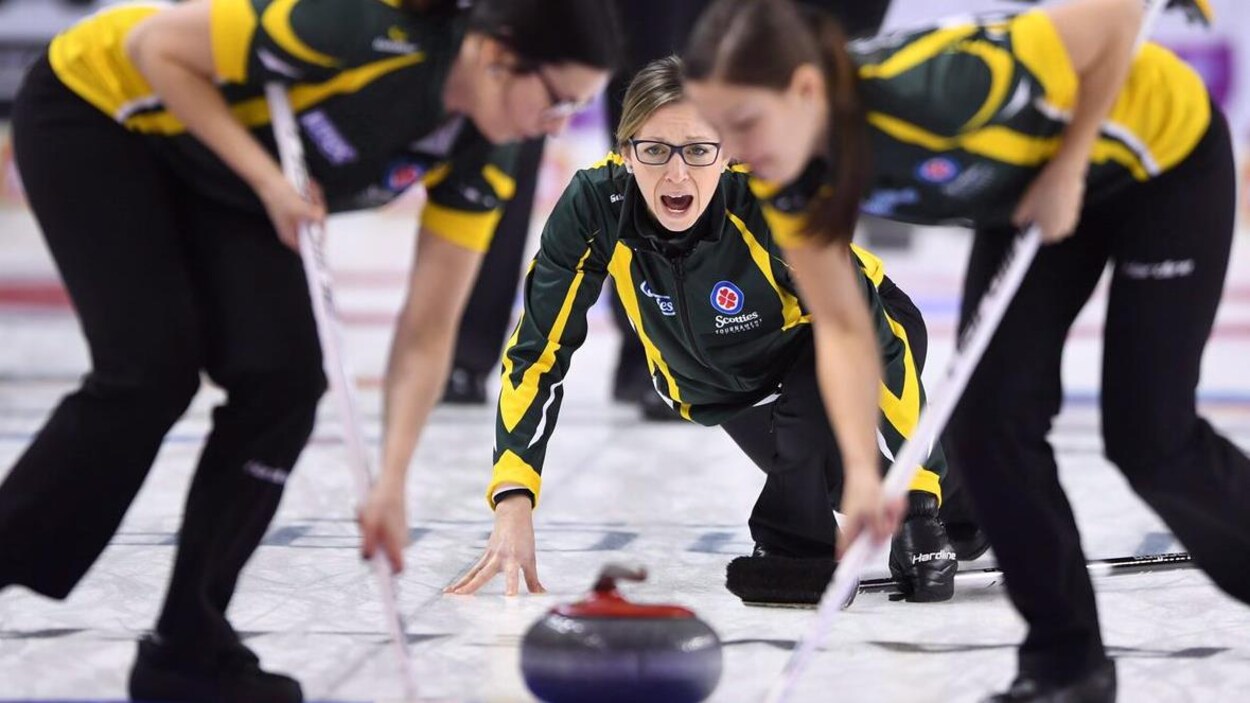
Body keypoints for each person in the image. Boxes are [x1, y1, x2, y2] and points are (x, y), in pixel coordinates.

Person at [0, 0, 618, 700]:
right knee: (150, 370)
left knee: (285, 377)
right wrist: (268, 181)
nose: (557, 124)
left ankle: (187, 646)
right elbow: (153, 48)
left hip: (219, 163)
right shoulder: (354, 26)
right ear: (496, 54)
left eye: (576, 108)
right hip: (101, 109)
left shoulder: (490, 150)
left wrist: (391, 480)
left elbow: (427, 326)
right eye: (557, 101)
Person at [682, 0, 1247, 700]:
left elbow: (1118, 17)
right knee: (987, 426)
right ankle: (1065, 665)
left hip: (1157, 158)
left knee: (1149, 436)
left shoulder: (941, 84)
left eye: (744, 123)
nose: (733, 151)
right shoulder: (786, 175)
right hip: (1030, 196)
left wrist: (1070, 166)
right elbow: (845, 326)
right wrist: (862, 470)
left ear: (804, 89)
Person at [445, 56, 963, 604]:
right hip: (728, 387)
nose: (676, 175)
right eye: (654, 151)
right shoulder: (595, 209)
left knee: (809, 434)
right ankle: (973, 502)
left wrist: (921, 496)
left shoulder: (771, 199)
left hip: (855, 332)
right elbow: (537, 355)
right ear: (625, 152)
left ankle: (796, 551)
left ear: (728, 150)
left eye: (697, 150)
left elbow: (865, 335)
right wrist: (514, 494)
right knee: (837, 480)